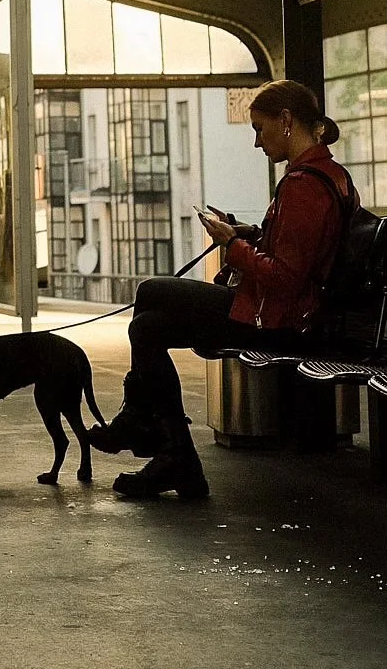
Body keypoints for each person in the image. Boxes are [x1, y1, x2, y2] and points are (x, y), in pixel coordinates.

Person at [88, 79, 353, 499]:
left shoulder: (304, 185)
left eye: (259, 129)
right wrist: (245, 233)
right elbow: (292, 251)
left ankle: (151, 430)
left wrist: (233, 246)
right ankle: (169, 449)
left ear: (286, 121)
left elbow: (285, 277)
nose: (256, 142)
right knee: (147, 328)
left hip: (277, 320)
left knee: (152, 291)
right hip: (285, 312)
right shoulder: (327, 176)